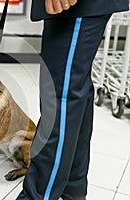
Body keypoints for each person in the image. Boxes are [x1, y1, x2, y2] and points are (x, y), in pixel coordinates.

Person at [17, 0, 129, 200]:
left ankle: (37, 195)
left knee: (61, 97)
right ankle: (72, 186)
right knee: (72, 89)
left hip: (79, 5)